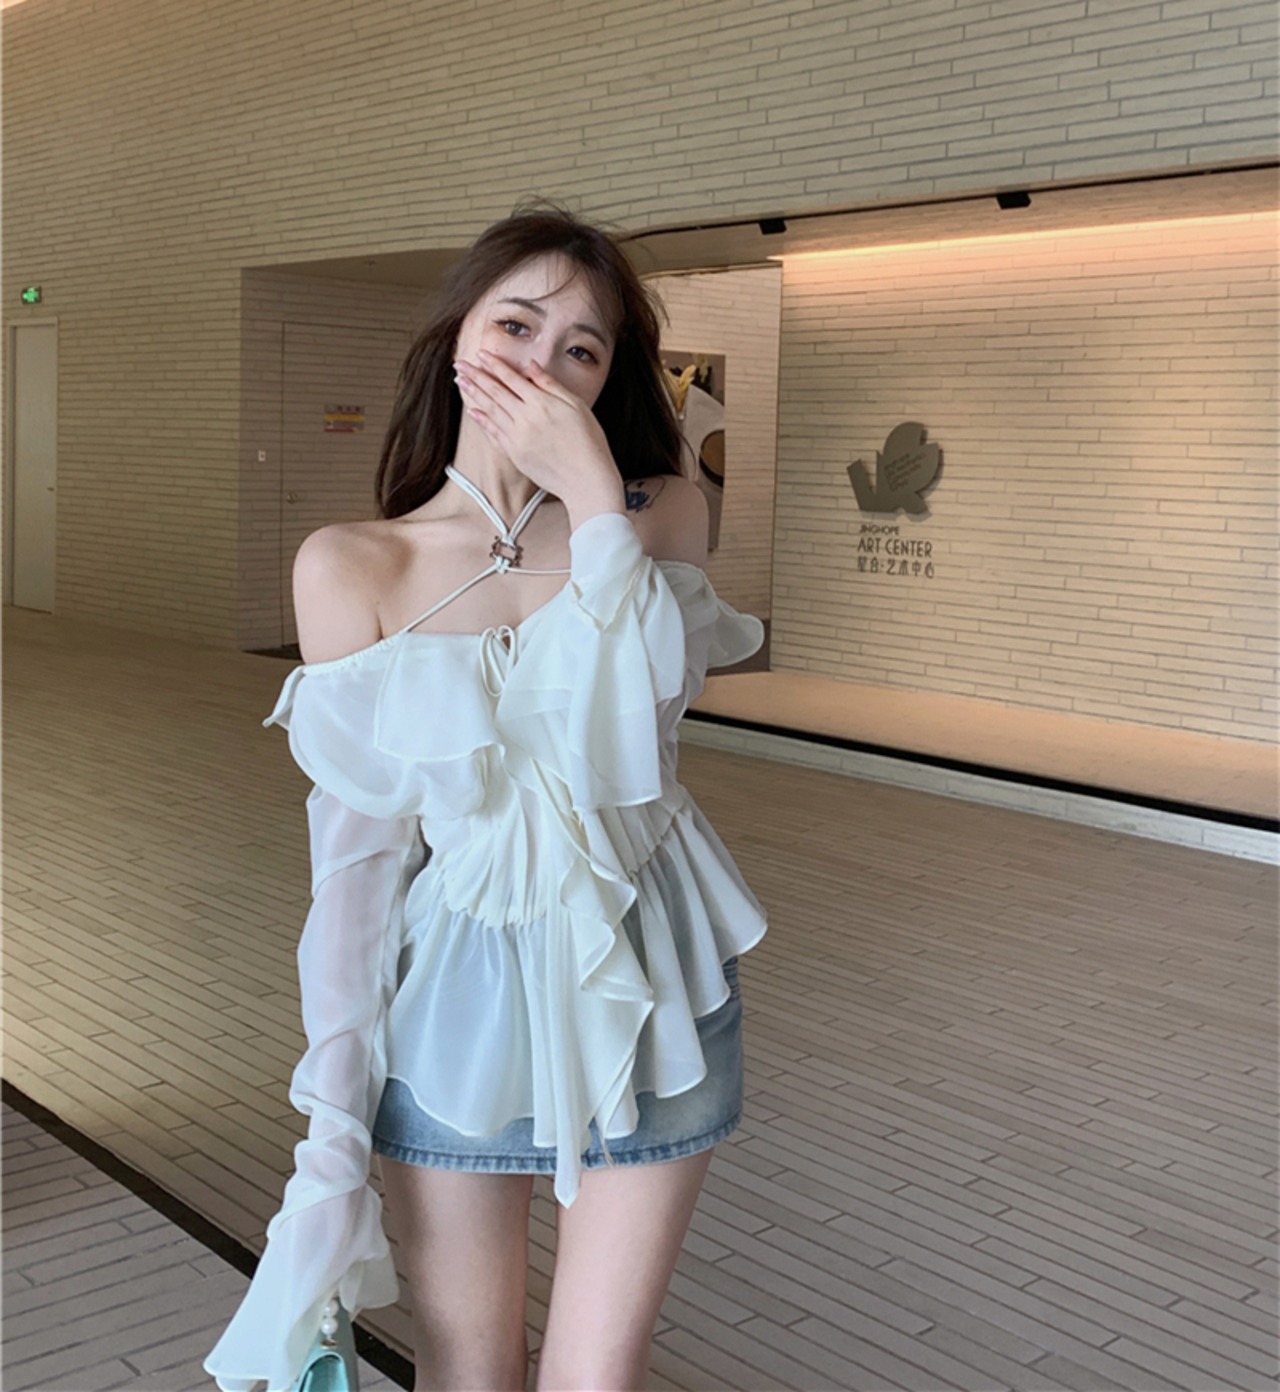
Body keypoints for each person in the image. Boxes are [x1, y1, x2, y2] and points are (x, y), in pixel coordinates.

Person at [205, 203, 768, 1392]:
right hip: (453, 998)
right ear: (457, 339)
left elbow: (631, 740)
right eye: (515, 325)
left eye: (581, 348)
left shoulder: (659, 513)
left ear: (607, 380)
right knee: (466, 1365)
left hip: (651, 978)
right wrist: (329, 1132)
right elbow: (357, 863)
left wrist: (593, 496)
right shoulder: (354, 564)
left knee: (597, 1371)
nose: (543, 364)